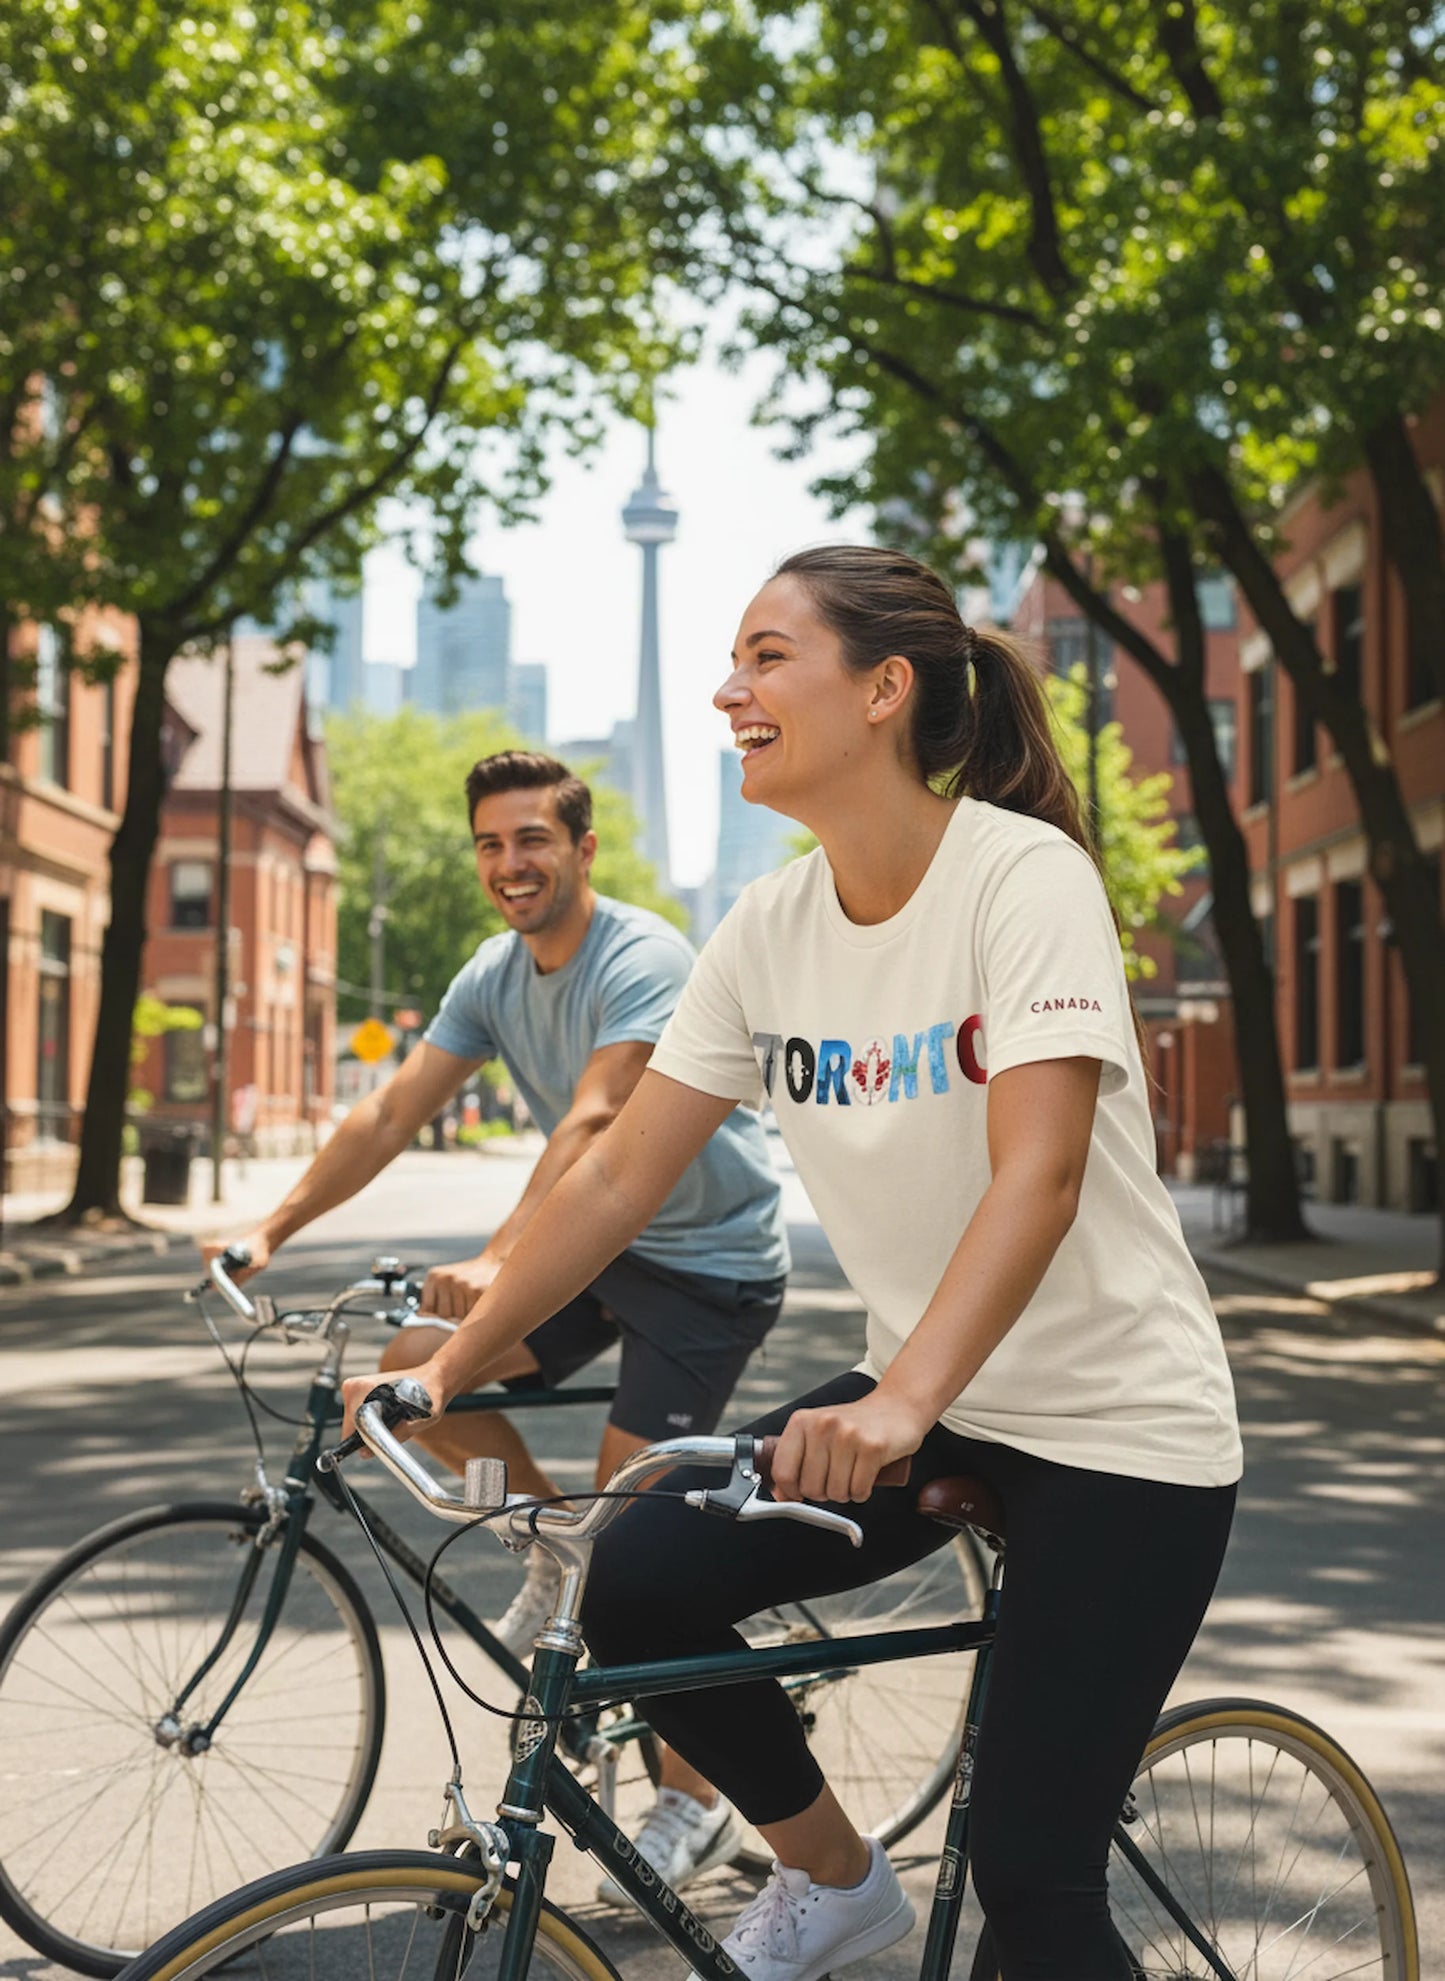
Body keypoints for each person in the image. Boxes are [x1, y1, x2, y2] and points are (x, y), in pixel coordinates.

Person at [343, 550, 1242, 1981]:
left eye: (767, 657)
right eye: (732, 662)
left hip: (1120, 1429)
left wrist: (894, 1406)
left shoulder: (1022, 875)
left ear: (884, 690)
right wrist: (453, 1362)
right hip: (935, 1389)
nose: (728, 690)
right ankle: (834, 1880)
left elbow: (1042, 1172)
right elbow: (624, 1169)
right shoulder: (769, 925)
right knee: (634, 1583)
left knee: (1034, 1876)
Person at [209, 749, 790, 1903]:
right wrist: (268, 1227)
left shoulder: (643, 958)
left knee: (639, 1558)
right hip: (598, 1248)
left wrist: (498, 1259)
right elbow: (387, 1109)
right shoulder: (494, 971)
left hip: (703, 1265)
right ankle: (547, 1541)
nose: (506, 864)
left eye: (530, 839)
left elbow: (594, 1122)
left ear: (581, 849)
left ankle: (700, 1800)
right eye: (488, 843)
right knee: (418, 1374)